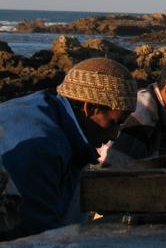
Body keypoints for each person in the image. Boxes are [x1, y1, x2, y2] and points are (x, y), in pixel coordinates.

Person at [0, 58, 137, 238]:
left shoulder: (49, 111)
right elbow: (35, 236)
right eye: (113, 123)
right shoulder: (43, 146)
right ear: (89, 108)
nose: (114, 135)